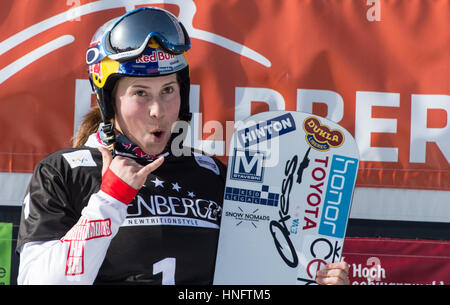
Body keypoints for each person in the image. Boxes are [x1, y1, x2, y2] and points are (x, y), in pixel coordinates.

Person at [16, 6, 349, 285]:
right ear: (108, 100)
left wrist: (308, 280)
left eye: (168, 91)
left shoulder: (210, 174)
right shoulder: (64, 171)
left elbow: (256, 281)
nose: (158, 110)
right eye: (140, 93)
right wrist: (111, 199)